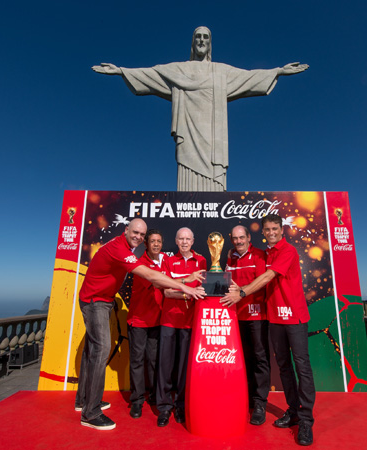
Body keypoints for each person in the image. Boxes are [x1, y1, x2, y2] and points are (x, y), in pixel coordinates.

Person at [92, 26, 308, 191]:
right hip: (188, 132)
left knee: (214, 180)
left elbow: (249, 76)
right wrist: (121, 71)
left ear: (210, 43)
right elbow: (152, 73)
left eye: (206, 37)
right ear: (193, 42)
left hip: (214, 138)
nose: (202, 41)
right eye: (198, 37)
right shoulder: (179, 70)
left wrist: (278, 71)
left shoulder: (220, 71)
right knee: (186, 176)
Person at [75, 219, 204, 431]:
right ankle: (91, 412)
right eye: (136, 233)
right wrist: (188, 286)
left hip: (105, 301)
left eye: (142, 234)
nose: (139, 237)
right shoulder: (120, 249)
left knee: (92, 351)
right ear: (126, 230)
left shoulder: (132, 251)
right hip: (95, 301)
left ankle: (83, 400)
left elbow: (158, 277)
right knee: (101, 350)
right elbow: (153, 278)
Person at [221, 214, 315, 446]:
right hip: (274, 318)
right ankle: (293, 411)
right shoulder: (267, 253)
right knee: (283, 367)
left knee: (302, 366)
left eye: (275, 229)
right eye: (268, 229)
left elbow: (268, 276)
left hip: (294, 317)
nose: (271, 232)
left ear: (282, 230)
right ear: (262, 231)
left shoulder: (287, 251)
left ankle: (306, 420)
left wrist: (241, 292)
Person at [156, 227, 207, 427]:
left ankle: (180, 406)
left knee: (185, 367)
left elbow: (201, 291)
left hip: (190, 320)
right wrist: (187, 290)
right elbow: (167, 292)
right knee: (165, 366)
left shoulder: (201, 261)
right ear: (176, 241)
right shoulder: (168, 261)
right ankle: (164, 407)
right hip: (169, 319)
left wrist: (180, 289)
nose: (184, 242)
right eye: (181, 239)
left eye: (188, 239)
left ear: (193, 241)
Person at [224, 225, 270, 426]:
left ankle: (260, 403)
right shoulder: (230, 257)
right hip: (236, 317)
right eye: (235, 238)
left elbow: (262, 282)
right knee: (242, 360)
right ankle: (246, 397)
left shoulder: (259, 255)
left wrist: (241, 290)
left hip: (257, 315)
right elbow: (226, 283)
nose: (239, 241)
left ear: (249, 237)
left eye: (242, 237)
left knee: (260, 359)